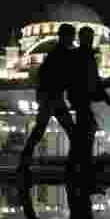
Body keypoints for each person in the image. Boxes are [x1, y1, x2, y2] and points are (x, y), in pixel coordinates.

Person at [18, 24, 78, 171]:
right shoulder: (59, 53)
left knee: (62, 131)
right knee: (45, 130)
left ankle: (24, 162)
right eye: (71, 37)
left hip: (53, 98)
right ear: (65, 37)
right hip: (51, 99)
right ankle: (25, 162)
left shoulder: (58, 52)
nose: (72, 40)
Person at [66, 26, 110, 187]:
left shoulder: (83, 55)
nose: (89, 40)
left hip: (80, 99)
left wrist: (104, 96)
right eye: (88, 37)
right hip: (81, 99)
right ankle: (83, 170)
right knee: (86, 131)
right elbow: (92, 79)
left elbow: (93, 79)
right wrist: (105, 97)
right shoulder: (83, 55)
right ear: (82, 38)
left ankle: (78, 168)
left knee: (83, 132)